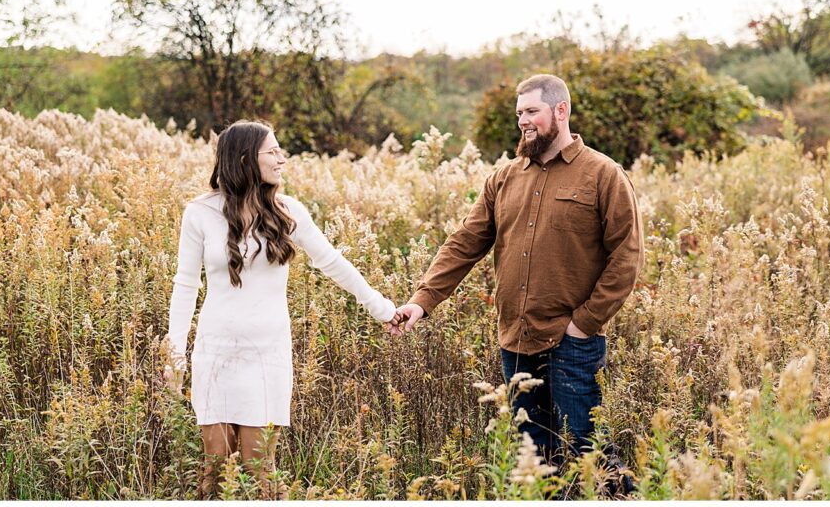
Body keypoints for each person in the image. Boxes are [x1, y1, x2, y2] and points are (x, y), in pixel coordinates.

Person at [390, 74, 643, 492]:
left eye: (532, 112)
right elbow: (464, 243)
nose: (523, 122)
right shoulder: (504, 178)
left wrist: (582, 324)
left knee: (587, 451)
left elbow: (627, 257)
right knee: (533, 457)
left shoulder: (602, 175)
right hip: (515, 342)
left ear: (560, 111)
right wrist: (422, 301)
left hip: (573, 344)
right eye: (519, 114)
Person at [164, 119, 401, 499]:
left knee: (260, 471)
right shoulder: (200, 212)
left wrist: (382, 308)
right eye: (273, 151)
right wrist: (175, 353)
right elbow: (185, 284)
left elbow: (333, 262)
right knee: (213, 473)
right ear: (244, 158)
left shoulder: (288, 211)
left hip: (266, 355)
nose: (282, 159)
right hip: (216, 353)